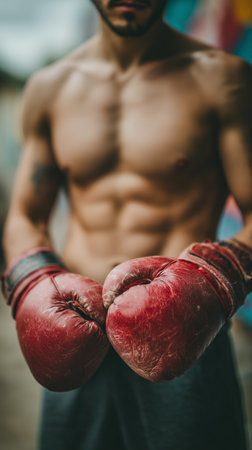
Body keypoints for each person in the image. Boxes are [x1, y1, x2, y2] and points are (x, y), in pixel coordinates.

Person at [2, 0, 252, 449]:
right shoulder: (50, 87)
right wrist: (32, 281)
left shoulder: (223, 79)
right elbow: (26, 212)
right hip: (74, 333)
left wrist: (218, 278)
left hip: (188, 335)